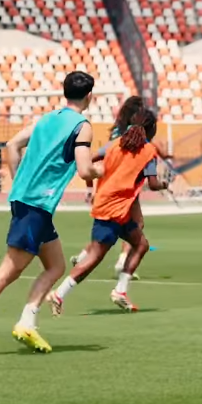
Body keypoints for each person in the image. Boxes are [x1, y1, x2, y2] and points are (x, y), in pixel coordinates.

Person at [0, 71, 99, 356]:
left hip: (28, 201)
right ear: (90, 96)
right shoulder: (82, 125)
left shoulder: (47, 118)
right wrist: (106, 170)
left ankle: (27, 322)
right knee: (9, 270)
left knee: (55, 265)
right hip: (36, 204)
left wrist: (19, 180)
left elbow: (11, 145)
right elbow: (84, 169)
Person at [50, 108, 166, 315]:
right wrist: (166, 183)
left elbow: (90, 159)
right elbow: (154, 184)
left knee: (141, 244)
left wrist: (91, 183)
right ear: (151, 129)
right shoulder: (149, 152)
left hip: (114, 208)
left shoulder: (116, 144)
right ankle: (59, 293)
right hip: (113, 211)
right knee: (94, 257)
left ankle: (120, 291)